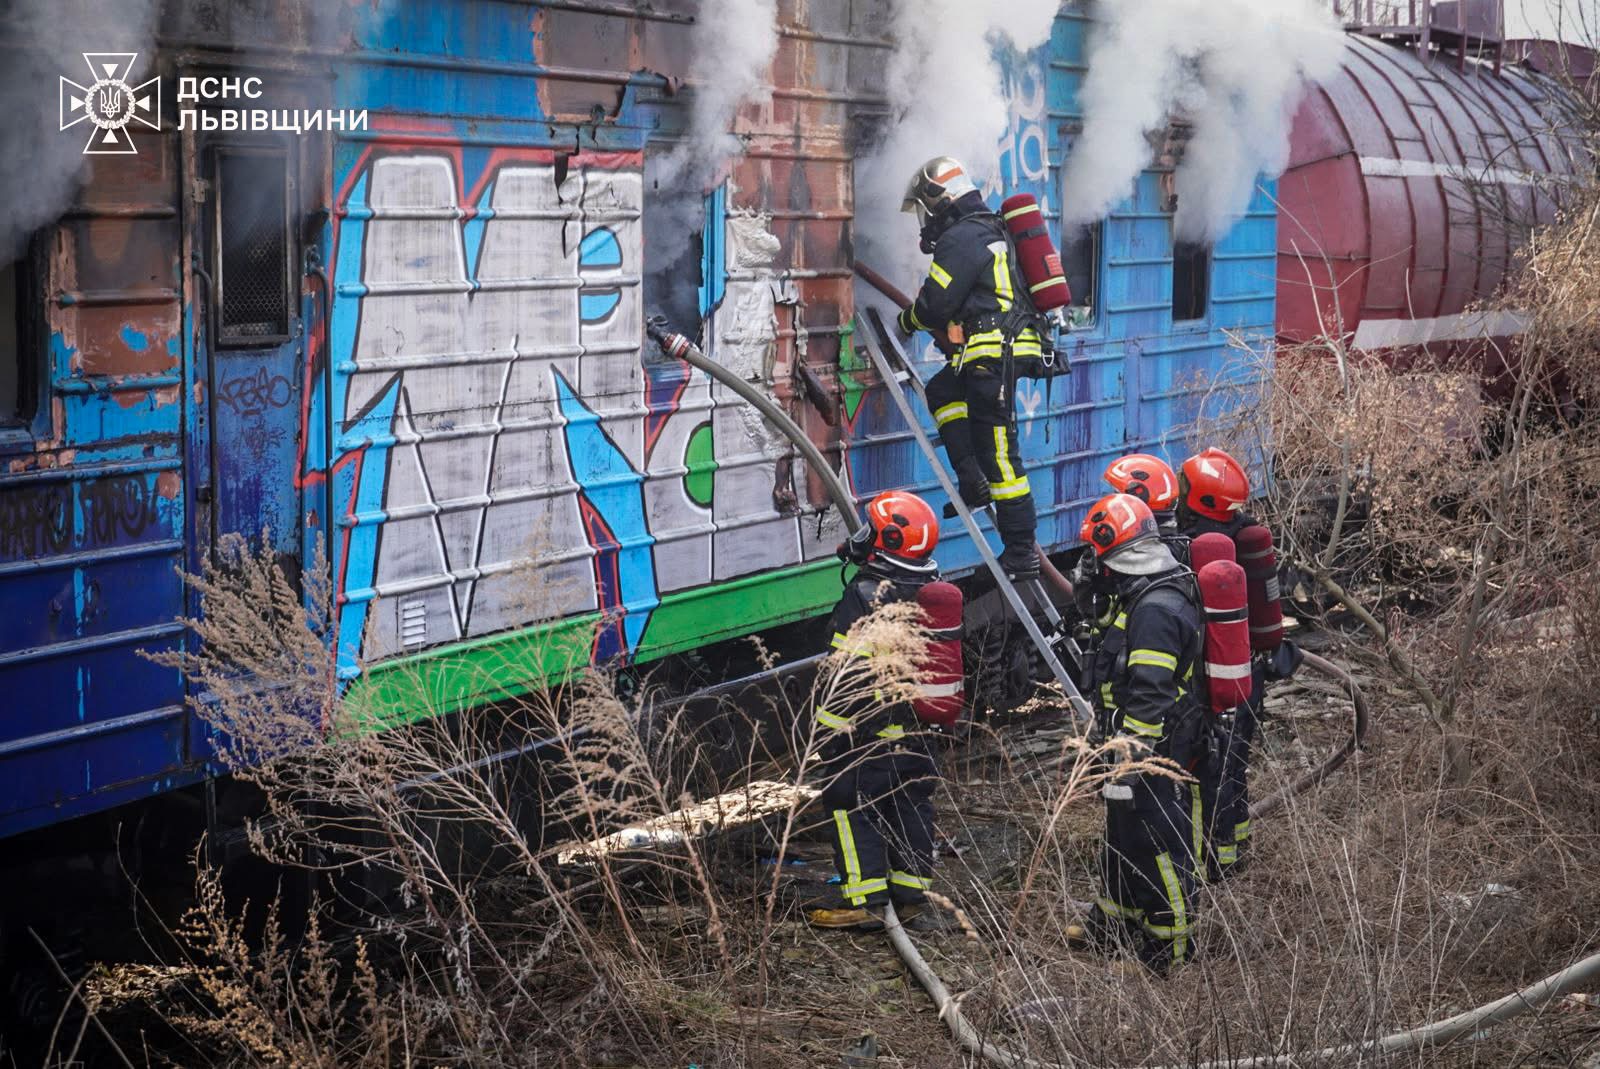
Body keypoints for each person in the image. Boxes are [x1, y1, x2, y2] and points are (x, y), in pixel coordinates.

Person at [1072, 493, 1207, 972]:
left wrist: (1130, 761)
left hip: (1151, 748)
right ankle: (1114, 930)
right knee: (1122, 837)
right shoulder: (1142, 593)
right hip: (1131, 743)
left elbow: (1151, 692)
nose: (1089, 564)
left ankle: (1169, 949)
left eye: (1094, 553)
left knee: (1155, 843)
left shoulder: (1155, 609)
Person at [895, 156, 1047, 578]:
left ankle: (1021, 552)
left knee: (1000, 452)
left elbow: (934, 304)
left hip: (992, 354)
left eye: (926, 209)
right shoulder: (990, 227)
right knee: (943, 391)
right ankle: (970, 478)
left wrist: (905, 322)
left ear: (939, 199)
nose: (925, 221)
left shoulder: (961, 237)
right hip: (994, 352)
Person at [808, 490, 947, 932]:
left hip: (868, 732)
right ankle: (910, 896)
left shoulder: (867, 594)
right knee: (910, 800)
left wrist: (827, 732)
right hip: (919, 732)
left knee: (849, 803)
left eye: (869, 528)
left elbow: (843, 670)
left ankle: (863, 901)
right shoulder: (932, 589)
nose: (861, 535)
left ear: (885, 539)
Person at [1176, 447, 1300, 878]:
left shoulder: (1201, 549)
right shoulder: (1248, 539)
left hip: (1213, 684)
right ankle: (1236, 850)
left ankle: (1216, 864)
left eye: (1185, 488)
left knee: (1212, 774)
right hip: (1250, 676)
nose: (1178, 495)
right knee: (1236, 767)